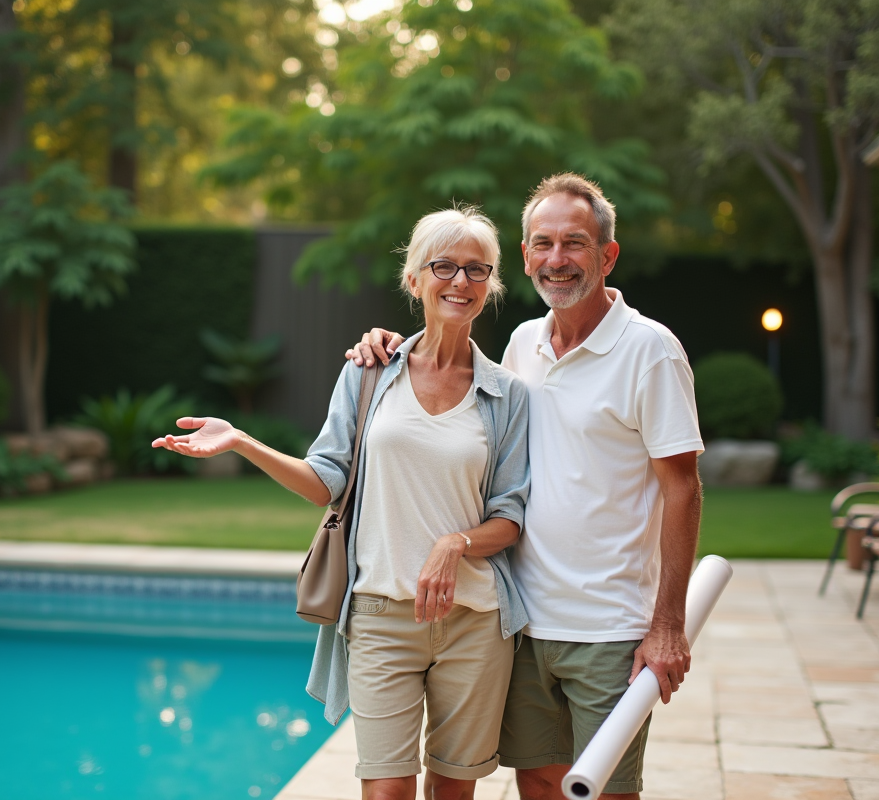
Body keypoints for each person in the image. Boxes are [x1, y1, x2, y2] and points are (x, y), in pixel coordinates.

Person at [154, 207, 531, 800]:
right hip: (381, 617)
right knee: (384, 791)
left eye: (477, 270)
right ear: (415, 280)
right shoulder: (369, 373)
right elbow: (326, 481)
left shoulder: (508, 395)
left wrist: (454, 543)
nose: (461, 281)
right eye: (445, 266)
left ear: (491, 285)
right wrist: (242, 441)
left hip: (474, 621)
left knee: (454, 792)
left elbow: (510, 517)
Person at [348, 174, 704, 800]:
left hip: (611, 627)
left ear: (607, 255)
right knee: (537, 784)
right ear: (525, 255)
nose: (557, 259)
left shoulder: (651, 351)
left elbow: (684, 489)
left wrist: (667, 625)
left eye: (575, 243)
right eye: (543, 243)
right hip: (522, 621)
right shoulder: (521, 345)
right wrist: (385, 346)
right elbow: (458, 408)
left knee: (606, 791)